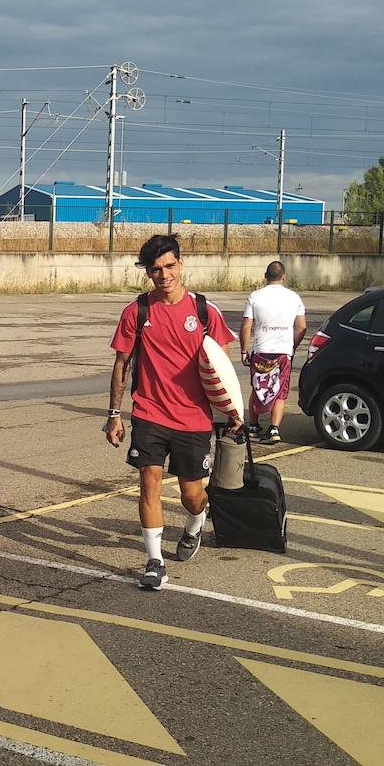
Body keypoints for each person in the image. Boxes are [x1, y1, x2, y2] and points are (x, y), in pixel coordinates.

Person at [104, 234, 239, 590]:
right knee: (148, 481)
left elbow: (222, 367)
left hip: (194, 419)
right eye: (155, 269)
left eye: (169, 266)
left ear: (181, 264)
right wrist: (114, 413)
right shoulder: (138, 311)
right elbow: (122, 363)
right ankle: (154, 561)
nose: (163, 275)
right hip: (149, 413)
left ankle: (195, 523)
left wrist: (234, 413)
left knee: (191, 494)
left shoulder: (204, 311)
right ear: (148, 273)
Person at [240, 261, 307, 445]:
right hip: (283, 352)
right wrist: (291, 346)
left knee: (258, 386)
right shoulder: (294, 298)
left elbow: (246, 325)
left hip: (261, 350)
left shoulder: (255, 296)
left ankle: (253, 425)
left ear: (265, 276)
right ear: (284, 277)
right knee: (280, 390)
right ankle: (274, 428)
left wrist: (244, 351)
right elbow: (301, 326)